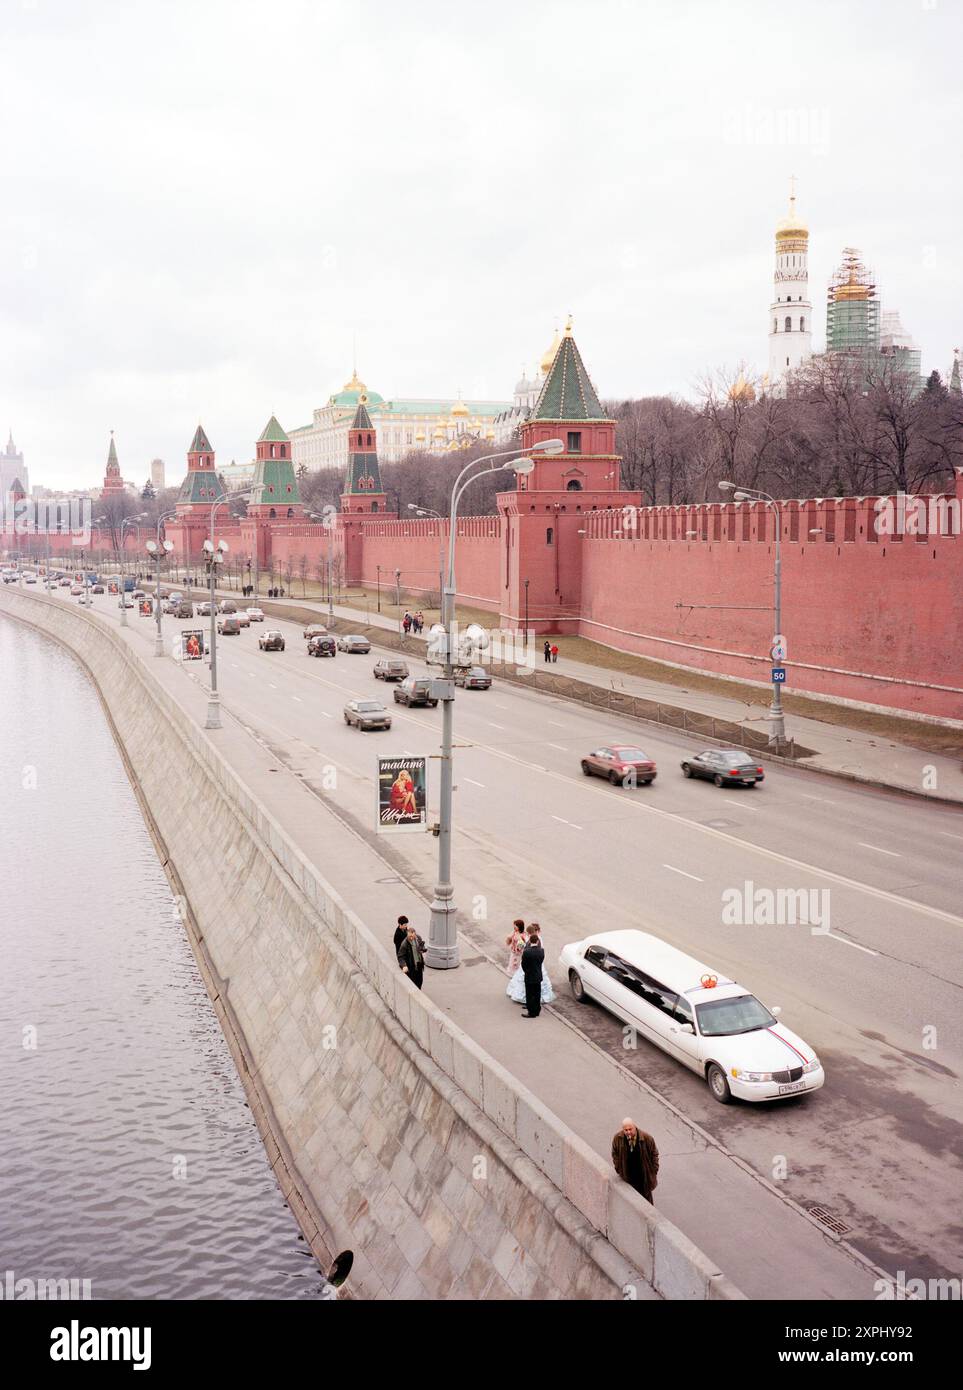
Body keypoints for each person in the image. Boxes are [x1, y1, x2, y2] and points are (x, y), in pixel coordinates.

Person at [611, 1118, 659, 1204]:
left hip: (643, 1177)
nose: (628, 1132)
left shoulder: (647, 1138)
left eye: (630, 1129)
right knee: (630, 1202)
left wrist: (653, 1171)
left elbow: (654, 1154)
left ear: (635, 1127)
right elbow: (615, 1153)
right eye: (626, 1130)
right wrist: (618, 1168)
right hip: (628, 1176)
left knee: (646, 1202)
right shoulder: (617, 1138)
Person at [519, 930, 546, 1017]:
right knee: (537, 993)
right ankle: (537, 1010)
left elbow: (523, 964)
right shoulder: (541, 951)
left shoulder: (527, 952)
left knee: (530, 994)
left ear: (530, 941)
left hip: (529, 975)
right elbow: (541, 961)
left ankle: (531, 1012)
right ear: (537, 941)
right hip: (538, 975)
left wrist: (527, 971)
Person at [398, 924, 426, 990]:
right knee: (413, 982)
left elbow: (422, 946)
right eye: (410, 936)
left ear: (415, 935)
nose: (411, 938)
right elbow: (400, 956)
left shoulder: (418, 938)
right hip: (411, 966)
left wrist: (422, 949)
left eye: (413, 936)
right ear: (407, 934)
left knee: (420, 981)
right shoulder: (405, 943)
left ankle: (419, 991)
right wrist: (404, 965)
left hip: (419, 964)